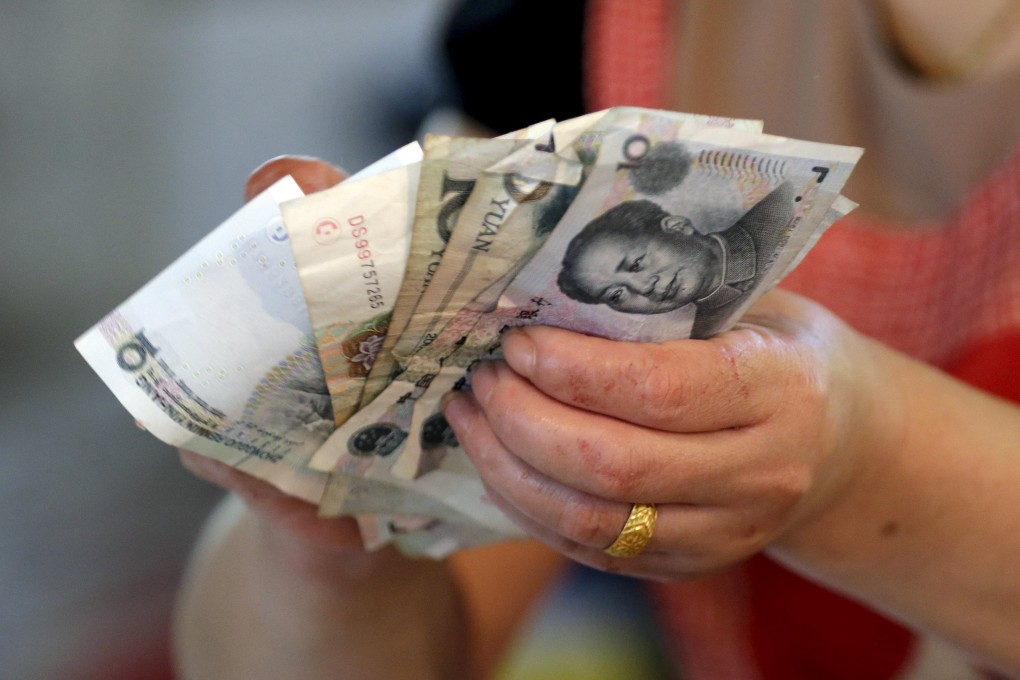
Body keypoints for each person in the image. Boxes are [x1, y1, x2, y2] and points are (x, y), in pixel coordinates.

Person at [174, 1, 1020, 679]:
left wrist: (864, 457)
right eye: (615, 288)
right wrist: (332, 524)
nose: (638, 294)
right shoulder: (566, 28)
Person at [556, 182, 795, 338]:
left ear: (677, 226)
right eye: (616, 294)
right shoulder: (699, 336)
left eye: (636, 264)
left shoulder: (779, 210)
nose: (642, 287)